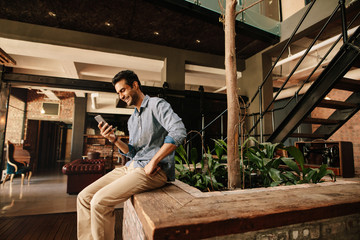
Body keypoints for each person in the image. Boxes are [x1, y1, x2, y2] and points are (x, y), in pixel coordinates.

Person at [77, 70, 186, 240]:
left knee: (99, 202)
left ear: (135, 85)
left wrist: (154, 161)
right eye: (118, 92)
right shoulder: (132, 119)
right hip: (131, 167)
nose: (121, 96)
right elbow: (133, 152)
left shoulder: (157, 105)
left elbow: (179, 131)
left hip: (153, 171)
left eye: (123, 90)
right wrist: (114, 140)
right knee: (84, 197)